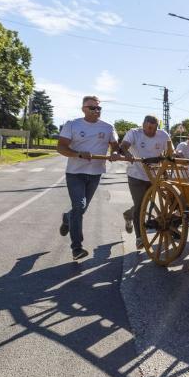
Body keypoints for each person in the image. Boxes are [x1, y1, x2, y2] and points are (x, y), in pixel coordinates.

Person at [57, 96, 120, 261]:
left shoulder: (107, 127)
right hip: (75, 173)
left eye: (99, 108)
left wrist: (114, 153)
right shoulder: (73, 124)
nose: (96, 111)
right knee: (79, 206)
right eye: (92, 108)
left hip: (95, 173)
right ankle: (76, 248)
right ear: (83, 108)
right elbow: (61, 147)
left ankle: (66, 218)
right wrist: (77, 154)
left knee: (80, 210)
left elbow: (116, 147)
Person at [120, 115, 171, 249]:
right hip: (136, 174)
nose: (151, 131)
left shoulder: (163, 135)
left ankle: (128, 214)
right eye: (148, 128)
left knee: (144, 203)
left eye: (154, 129)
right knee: (141, 205)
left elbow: (170, 151)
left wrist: (173, 156)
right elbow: (124, 146)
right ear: (143, 125)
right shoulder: (134, 133)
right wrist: (127, 153)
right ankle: (139, 238)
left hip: (154, 175)